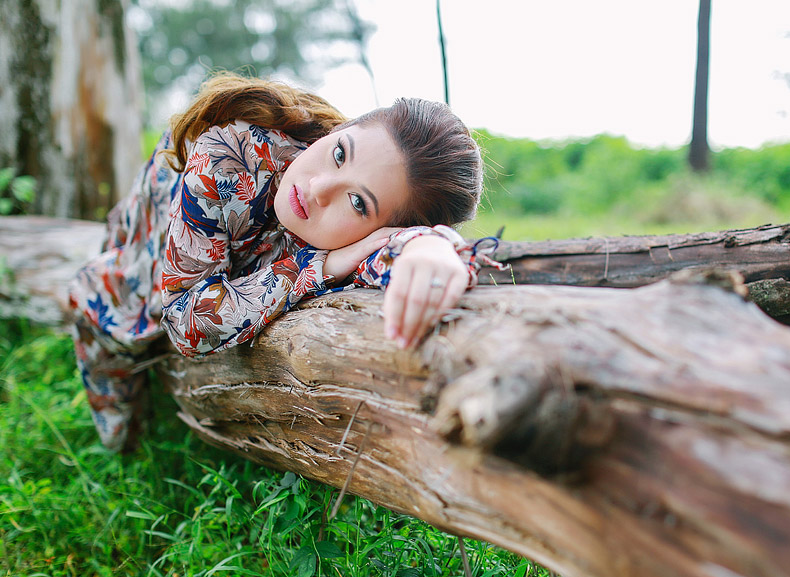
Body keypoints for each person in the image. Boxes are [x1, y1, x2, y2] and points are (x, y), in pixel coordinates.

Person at [68, 74, 499, 452]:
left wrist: (431, 247)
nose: (318, 188)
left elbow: (393, 252)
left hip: (224, 271)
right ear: (341, 129)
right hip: (141, 254)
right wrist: (320, 267)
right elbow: (183, 319)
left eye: (356, 202)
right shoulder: (228, 152)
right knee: (121, 427)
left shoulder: (361, 234)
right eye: (339, 154)